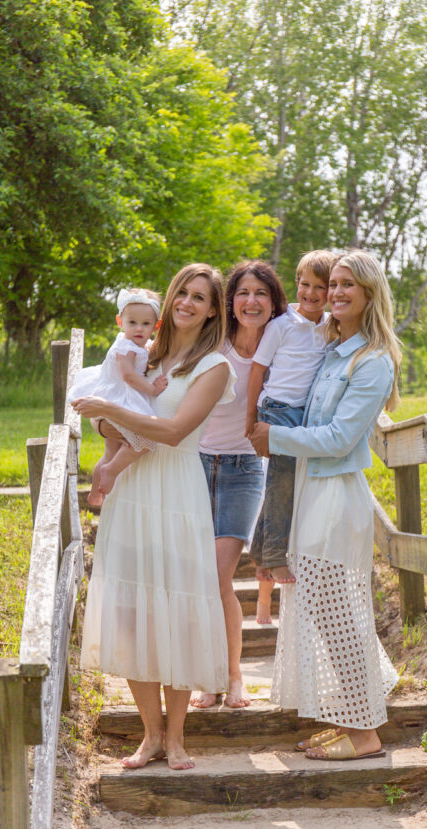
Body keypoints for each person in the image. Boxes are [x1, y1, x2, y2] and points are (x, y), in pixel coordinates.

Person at [72, 263, 235, 770]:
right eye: (182, 292)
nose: (187, 302)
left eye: (200, 297)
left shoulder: (215, 367)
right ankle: (150, 736)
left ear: (213, 309)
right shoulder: (141, 350)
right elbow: (101, 418)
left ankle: (179, 737)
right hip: (133, 490)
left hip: (179, 490)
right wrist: (105, 418)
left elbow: (172, 431)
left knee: (181, 613)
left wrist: (109, 413)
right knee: (133, 610)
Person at [250, 249, 401, 761]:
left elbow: (338, 439)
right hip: (311, 494)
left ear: (369, 294)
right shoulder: (333, 349)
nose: (334, 293)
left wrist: (276, 437)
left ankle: (366, 736)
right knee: (321, 612)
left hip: (336, 499)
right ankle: (347, 718)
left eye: (346, 286)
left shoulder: (372, 361)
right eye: (331, 283)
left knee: (341, 616)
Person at [191, 260, 287, 709]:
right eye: (243, 293)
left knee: (217, 576)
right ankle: (209, 677)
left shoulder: (284, 344)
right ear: (230, 301)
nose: (251, 301)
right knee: (203, 580)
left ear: (273, 302)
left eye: (261, 294)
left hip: (245, 470)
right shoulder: (214, 342)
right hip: (193, 465)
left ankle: (233, 678)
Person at [246, 250, 335, 585]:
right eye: (304, 284)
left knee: (287, 482)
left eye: (320, 287)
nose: (310, 293)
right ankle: (273, 557)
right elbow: (257, 372)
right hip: (277, 409)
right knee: (282, 482)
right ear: (295, 284)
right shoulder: (281, 325)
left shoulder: (329, 326)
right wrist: (250, 419)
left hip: (304, 415)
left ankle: (260, 548)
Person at [68, 289, 167, 507]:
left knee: (111, 450)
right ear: (120, 321)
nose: (138, 329)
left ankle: (95, 494)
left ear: (156, 326)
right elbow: (128, 376)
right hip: (120, 397)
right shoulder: (126, 346)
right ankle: (110, 471)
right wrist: (152, 389)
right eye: (132, 322)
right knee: (143, 441)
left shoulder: (141, 345)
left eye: (145, 324)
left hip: (117, 395)